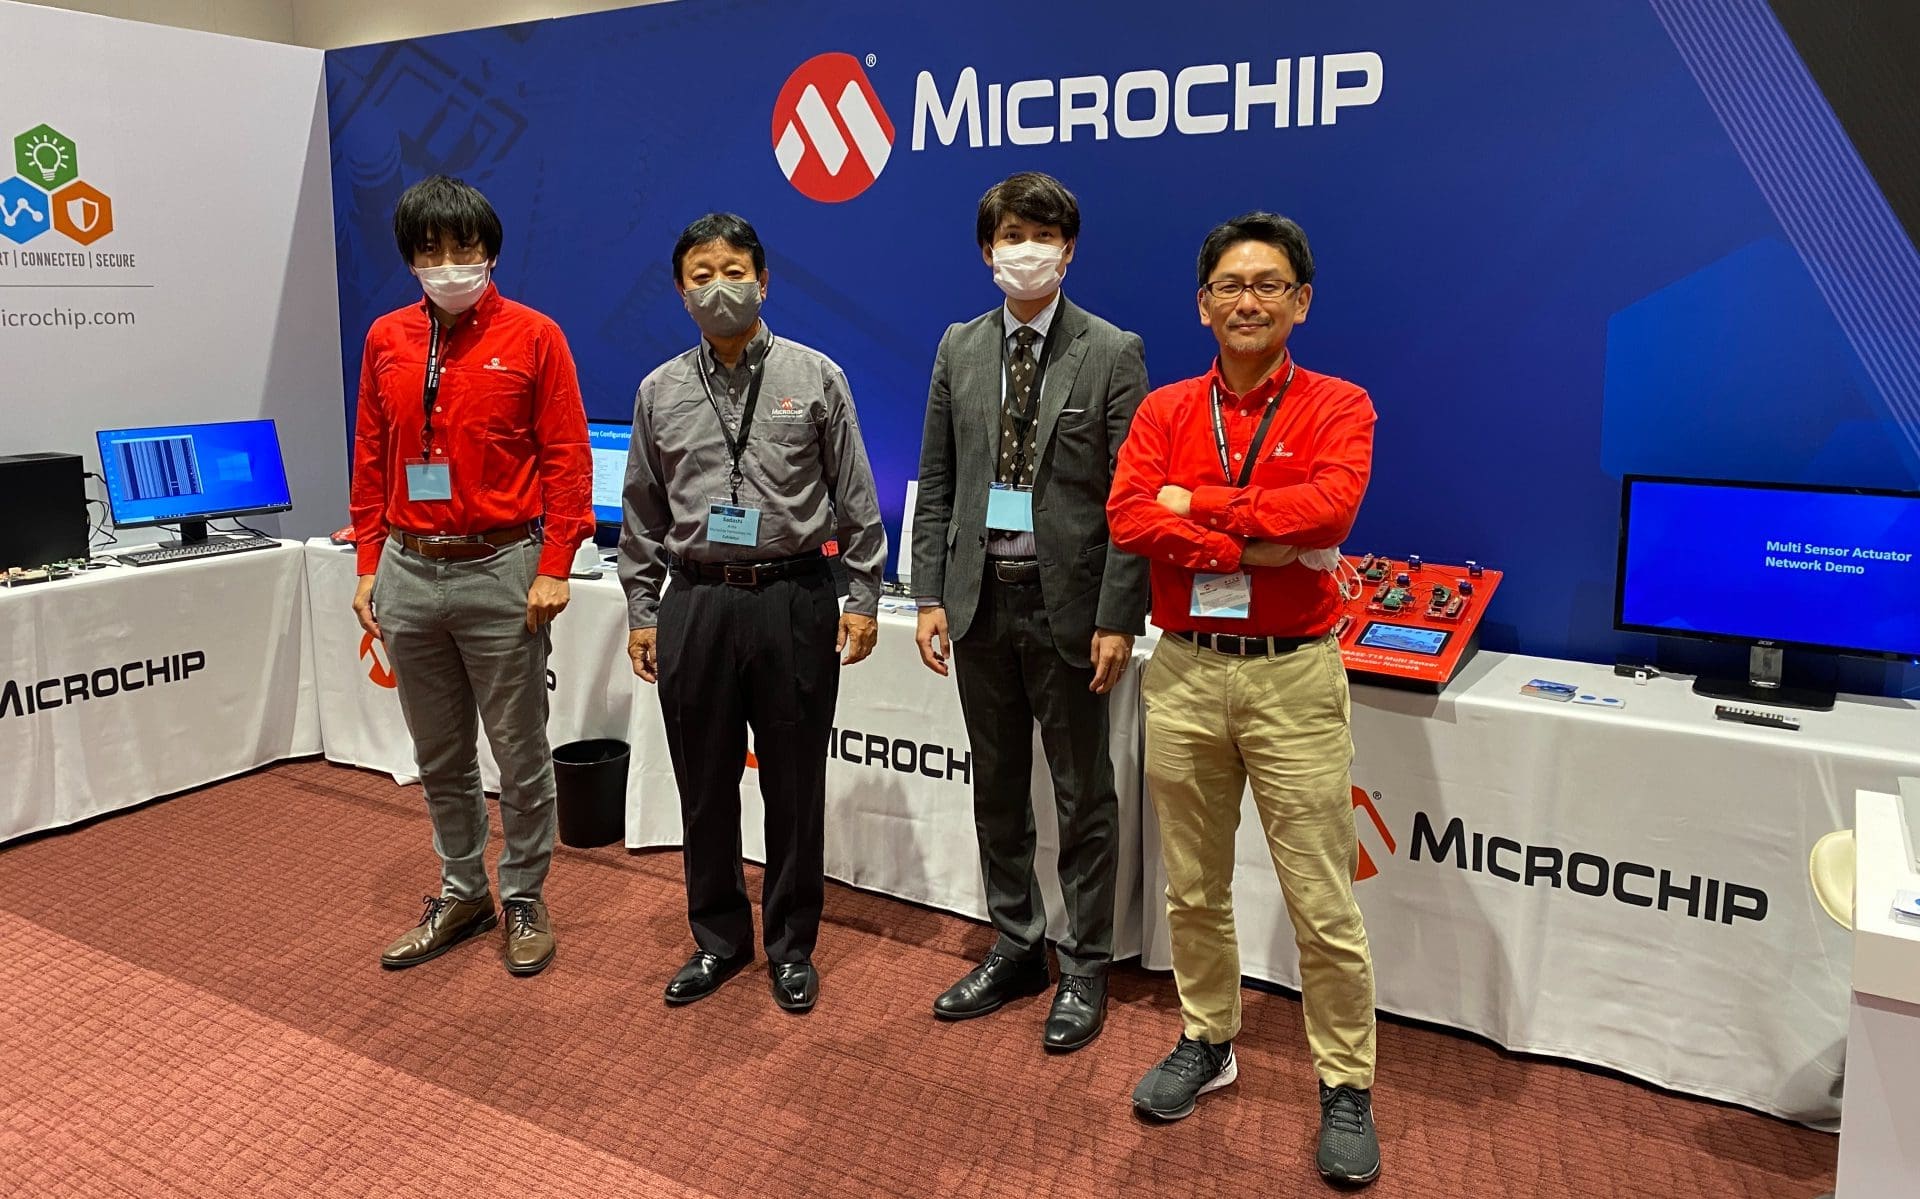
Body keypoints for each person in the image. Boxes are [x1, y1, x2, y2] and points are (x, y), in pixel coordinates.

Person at [1106, 212, 1381, 1186]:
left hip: (1290, 673)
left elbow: (1328, 509)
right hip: (1182, 667)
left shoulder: (1341, 404)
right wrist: (1240, 543)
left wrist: (1199, 504)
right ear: (1202, 304)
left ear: (1300, 301)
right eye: (1230, 284)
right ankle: (1206, 1036)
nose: (1249, 300)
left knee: (1321, 898)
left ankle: (1345, 1081)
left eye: (1268, 284)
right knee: (1192, 884)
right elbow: (1131, 511)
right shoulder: (1167, 409)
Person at [619, 212, 887, 1015]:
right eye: (700, 274)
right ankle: (718, 936)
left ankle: (791, 942)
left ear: (763, 281)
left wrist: (863, 595)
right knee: (704, 785)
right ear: (680, 290)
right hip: (696, 600)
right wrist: (641, 608)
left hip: (794, 598)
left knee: (796, 784)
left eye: (733, 270)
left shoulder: (816, 376)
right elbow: (640, 510)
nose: (718, 287)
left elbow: (857, 500)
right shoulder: (658, 390)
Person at [910, 172, 1149, 1051]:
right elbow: (939, 479)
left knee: (1084, 794)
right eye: (1012, 234)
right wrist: (929, 593)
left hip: (1071, 613)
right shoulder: (958, 347)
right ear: (987, 249)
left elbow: (1131, 497)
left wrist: (1119, 615)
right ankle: (1017, 944)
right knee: (999, 788)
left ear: (1069, 248)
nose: (1027, 249)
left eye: (1044, 233)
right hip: (978, 605)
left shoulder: (1112, 349)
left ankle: (1085, 963)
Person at [351, 174, 590, 978]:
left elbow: (565, 458)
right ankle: (462, 889)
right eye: (429, 250)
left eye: (462, 248)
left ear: (489, 251)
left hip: (503, 569)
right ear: (411, 259)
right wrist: (367, 560)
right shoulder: (386, 338)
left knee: (519, 750)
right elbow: (372, 457)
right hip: (411, 570)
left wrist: (556, 563)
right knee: (440, 751)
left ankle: (523, 891)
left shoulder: (534, 336)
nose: (447, 263)